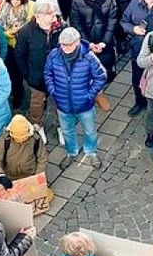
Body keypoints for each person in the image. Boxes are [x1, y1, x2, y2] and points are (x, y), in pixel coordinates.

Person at [43, 27, 107, 168]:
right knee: (67, 131)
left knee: (90, 130)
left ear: (77, 42)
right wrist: (54, 92)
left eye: (69, 44)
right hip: (63, 104)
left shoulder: (89, 57)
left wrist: (89, 95)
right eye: (63, 44)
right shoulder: (54, 56)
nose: (65, 47)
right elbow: (48, 74)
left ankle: (91, 151)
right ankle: (72, 152)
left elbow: (101, 76)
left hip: (84, 105)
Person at [0, 113, 48, 187]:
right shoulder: (4, 140)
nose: (21, 140)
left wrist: (37, 176)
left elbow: (42, 159)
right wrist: (1, 175)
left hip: (29, 176)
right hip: (9, 176)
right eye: (18, 138)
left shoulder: (36, 139)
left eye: (23, 137)